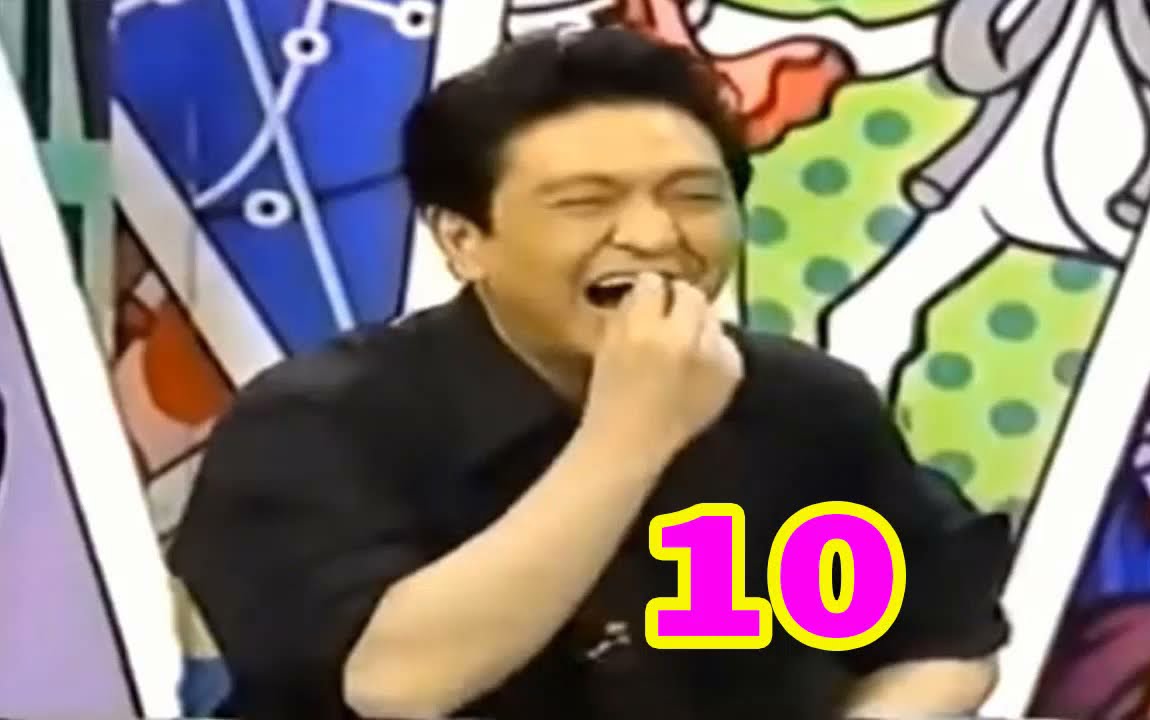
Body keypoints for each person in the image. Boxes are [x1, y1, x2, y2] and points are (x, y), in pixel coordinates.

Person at [169, 27, 1012, 720]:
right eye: (585, 203)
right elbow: (395, 684)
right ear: (463, 240)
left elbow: (945, 641)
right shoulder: (319, 420)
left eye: (693, 196)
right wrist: (630, 433)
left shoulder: (805, 405)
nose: (653, 237)